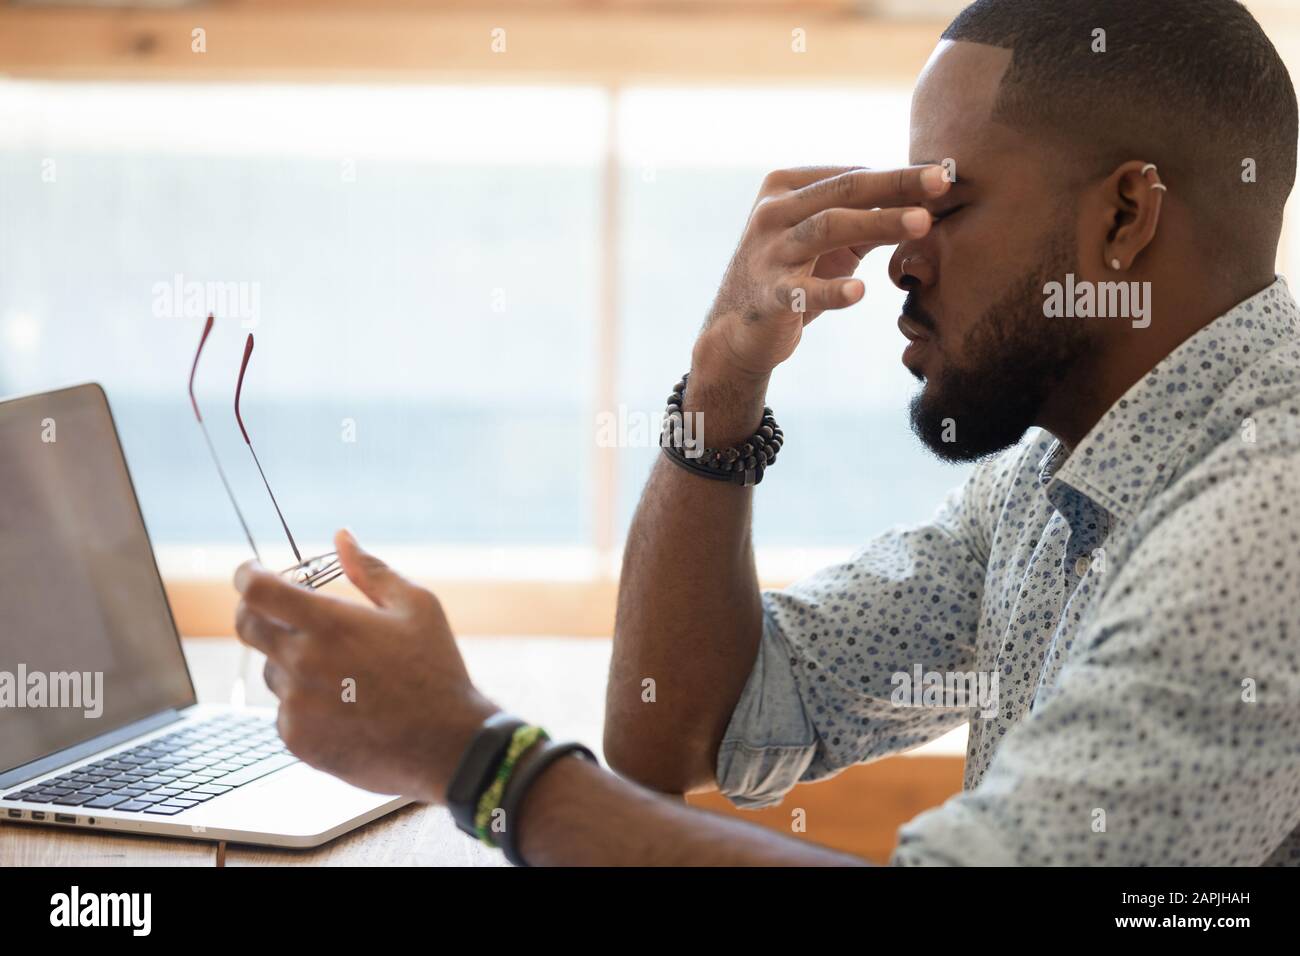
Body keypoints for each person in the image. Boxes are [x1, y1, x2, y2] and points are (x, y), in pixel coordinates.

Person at [234, 0, 1300, 865]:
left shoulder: (1267, 524)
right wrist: (723, 378)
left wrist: (471, 757)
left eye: (948, 201)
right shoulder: (1052, 478)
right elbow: (678, 729)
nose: (901, 256)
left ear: (1123, 219)